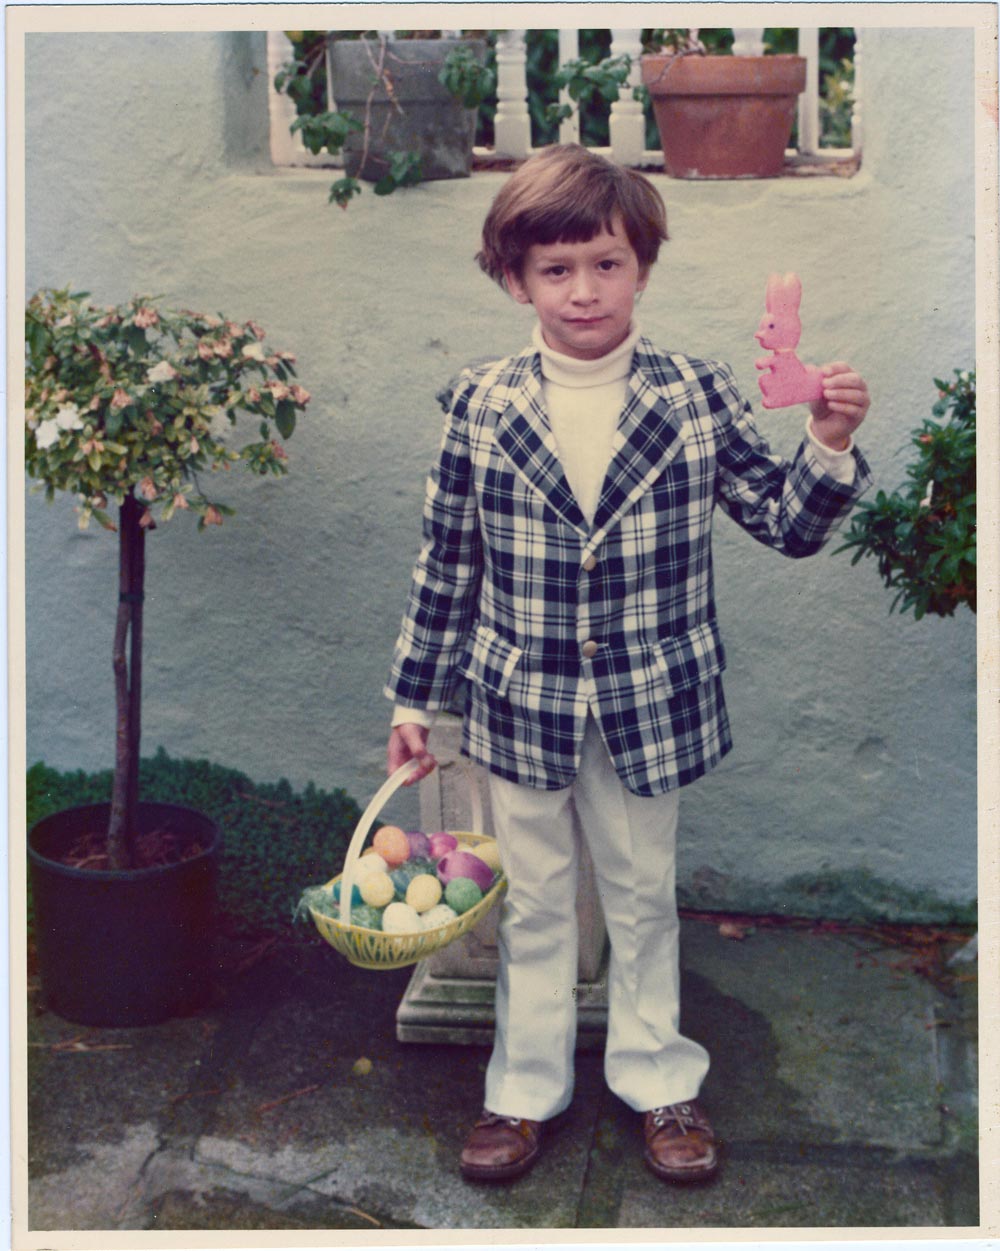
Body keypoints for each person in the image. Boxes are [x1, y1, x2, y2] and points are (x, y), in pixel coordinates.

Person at [384, 144, 872, 1185]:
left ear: (640, 266)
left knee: (643, 892)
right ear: (515, 279)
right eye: (555, 270)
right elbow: (448, 564)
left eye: (604, 264)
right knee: (533, 899)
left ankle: (660, 1082)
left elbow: (784, 525)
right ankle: (520, 1092)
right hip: (521, 701)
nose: (583, 289)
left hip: (650, 699)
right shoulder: (479, 403)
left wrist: (826, 444)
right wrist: (414, 697)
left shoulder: (691, 393)